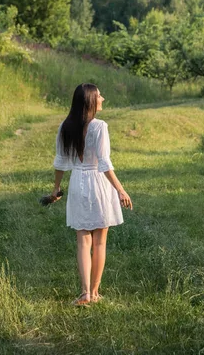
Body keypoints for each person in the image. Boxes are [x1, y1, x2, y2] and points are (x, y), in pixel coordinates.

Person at [52, 83, 132, 306]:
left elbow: (60, 162)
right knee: (99, 242)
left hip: (77, 181)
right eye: (99, 96)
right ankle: (94, 293)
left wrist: (56, 189)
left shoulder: (65, 126)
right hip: (98, 184)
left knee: (83, 242)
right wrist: (120, 189)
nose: (103, 99)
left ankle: (85, 292)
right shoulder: (99, 127)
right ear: (90, 101)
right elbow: (104, 164)